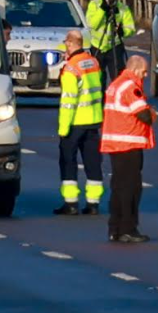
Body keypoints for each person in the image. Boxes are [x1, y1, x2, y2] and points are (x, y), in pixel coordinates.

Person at [101, 54, 155, 244]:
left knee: (117, 187)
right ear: (135, 69)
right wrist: (152, 113)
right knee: (130, 189)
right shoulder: (130, 86)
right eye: (144, 71)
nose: (145, 75)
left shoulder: (115, 84)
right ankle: (128, 229)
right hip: (129, 143)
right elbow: (144, 115)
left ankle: (114, 228)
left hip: (115, 143)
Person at [56, 30, 105, 216]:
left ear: (70, 43)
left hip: (75, 122)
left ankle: (71, 203)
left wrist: (63, 128)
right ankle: (93, 203)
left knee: (68, 161)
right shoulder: (93, 62)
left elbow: (69, 101)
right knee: (92, 162)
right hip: (93, 120)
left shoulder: (71, 68)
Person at [87, 0, 136, 82]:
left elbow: (131, 28)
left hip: (115, 47)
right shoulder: (95, 5)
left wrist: (122, 31)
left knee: (118, 78)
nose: (113, 1)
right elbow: (92, 25)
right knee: (97, 79)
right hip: (97, 47)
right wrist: (103, 9)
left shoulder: (122, 9)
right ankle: (100, 97)